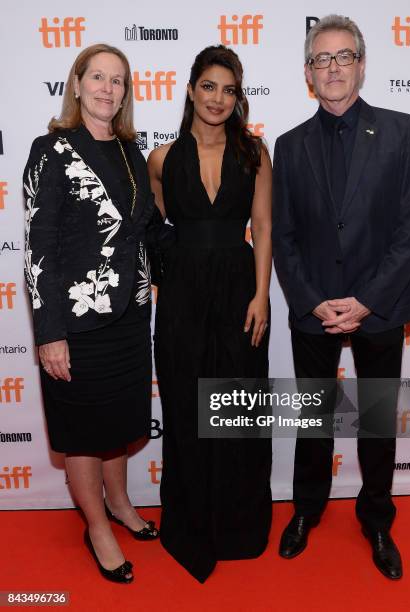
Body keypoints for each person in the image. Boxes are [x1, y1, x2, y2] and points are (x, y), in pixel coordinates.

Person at [272, 15, 410, 580]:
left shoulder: (402, 130)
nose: (332, 68)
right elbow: (282, 238)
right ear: (308, 74)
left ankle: (377, 521)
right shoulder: (288, 147)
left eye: (343, 57)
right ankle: (306, 511)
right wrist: (315, 302)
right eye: (322, 59)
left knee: (376, 419)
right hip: (313, 309)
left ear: (361, 64)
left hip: (380, 306)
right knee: (313, 420)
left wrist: (363, 301)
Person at [23, 43, 159, 584]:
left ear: (126, 92)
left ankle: (121, 503)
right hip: (76, 322)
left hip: (130, 317)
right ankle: (97, 525)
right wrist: (49, 332)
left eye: (118, 80)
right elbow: (40, 249)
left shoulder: (131, 151)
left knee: (118, 423)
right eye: (97, 77)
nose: (108, 88)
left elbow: (143, 230)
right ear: (76, 84)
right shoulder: (51, 150)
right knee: (83, 428)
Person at [147, 44, 272, 582]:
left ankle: (239, 525)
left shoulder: (254, 153)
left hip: (240, 289)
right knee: (184, 407)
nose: (218, 98)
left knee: (237, 406)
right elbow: (153, 230)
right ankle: (192, 524)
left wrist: (262, 294)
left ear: (237, 98)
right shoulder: (161, 159)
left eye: (229, 89)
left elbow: (263, 227)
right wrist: (162, 286)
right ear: (191, 89)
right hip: (182, 295)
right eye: (208, 86)